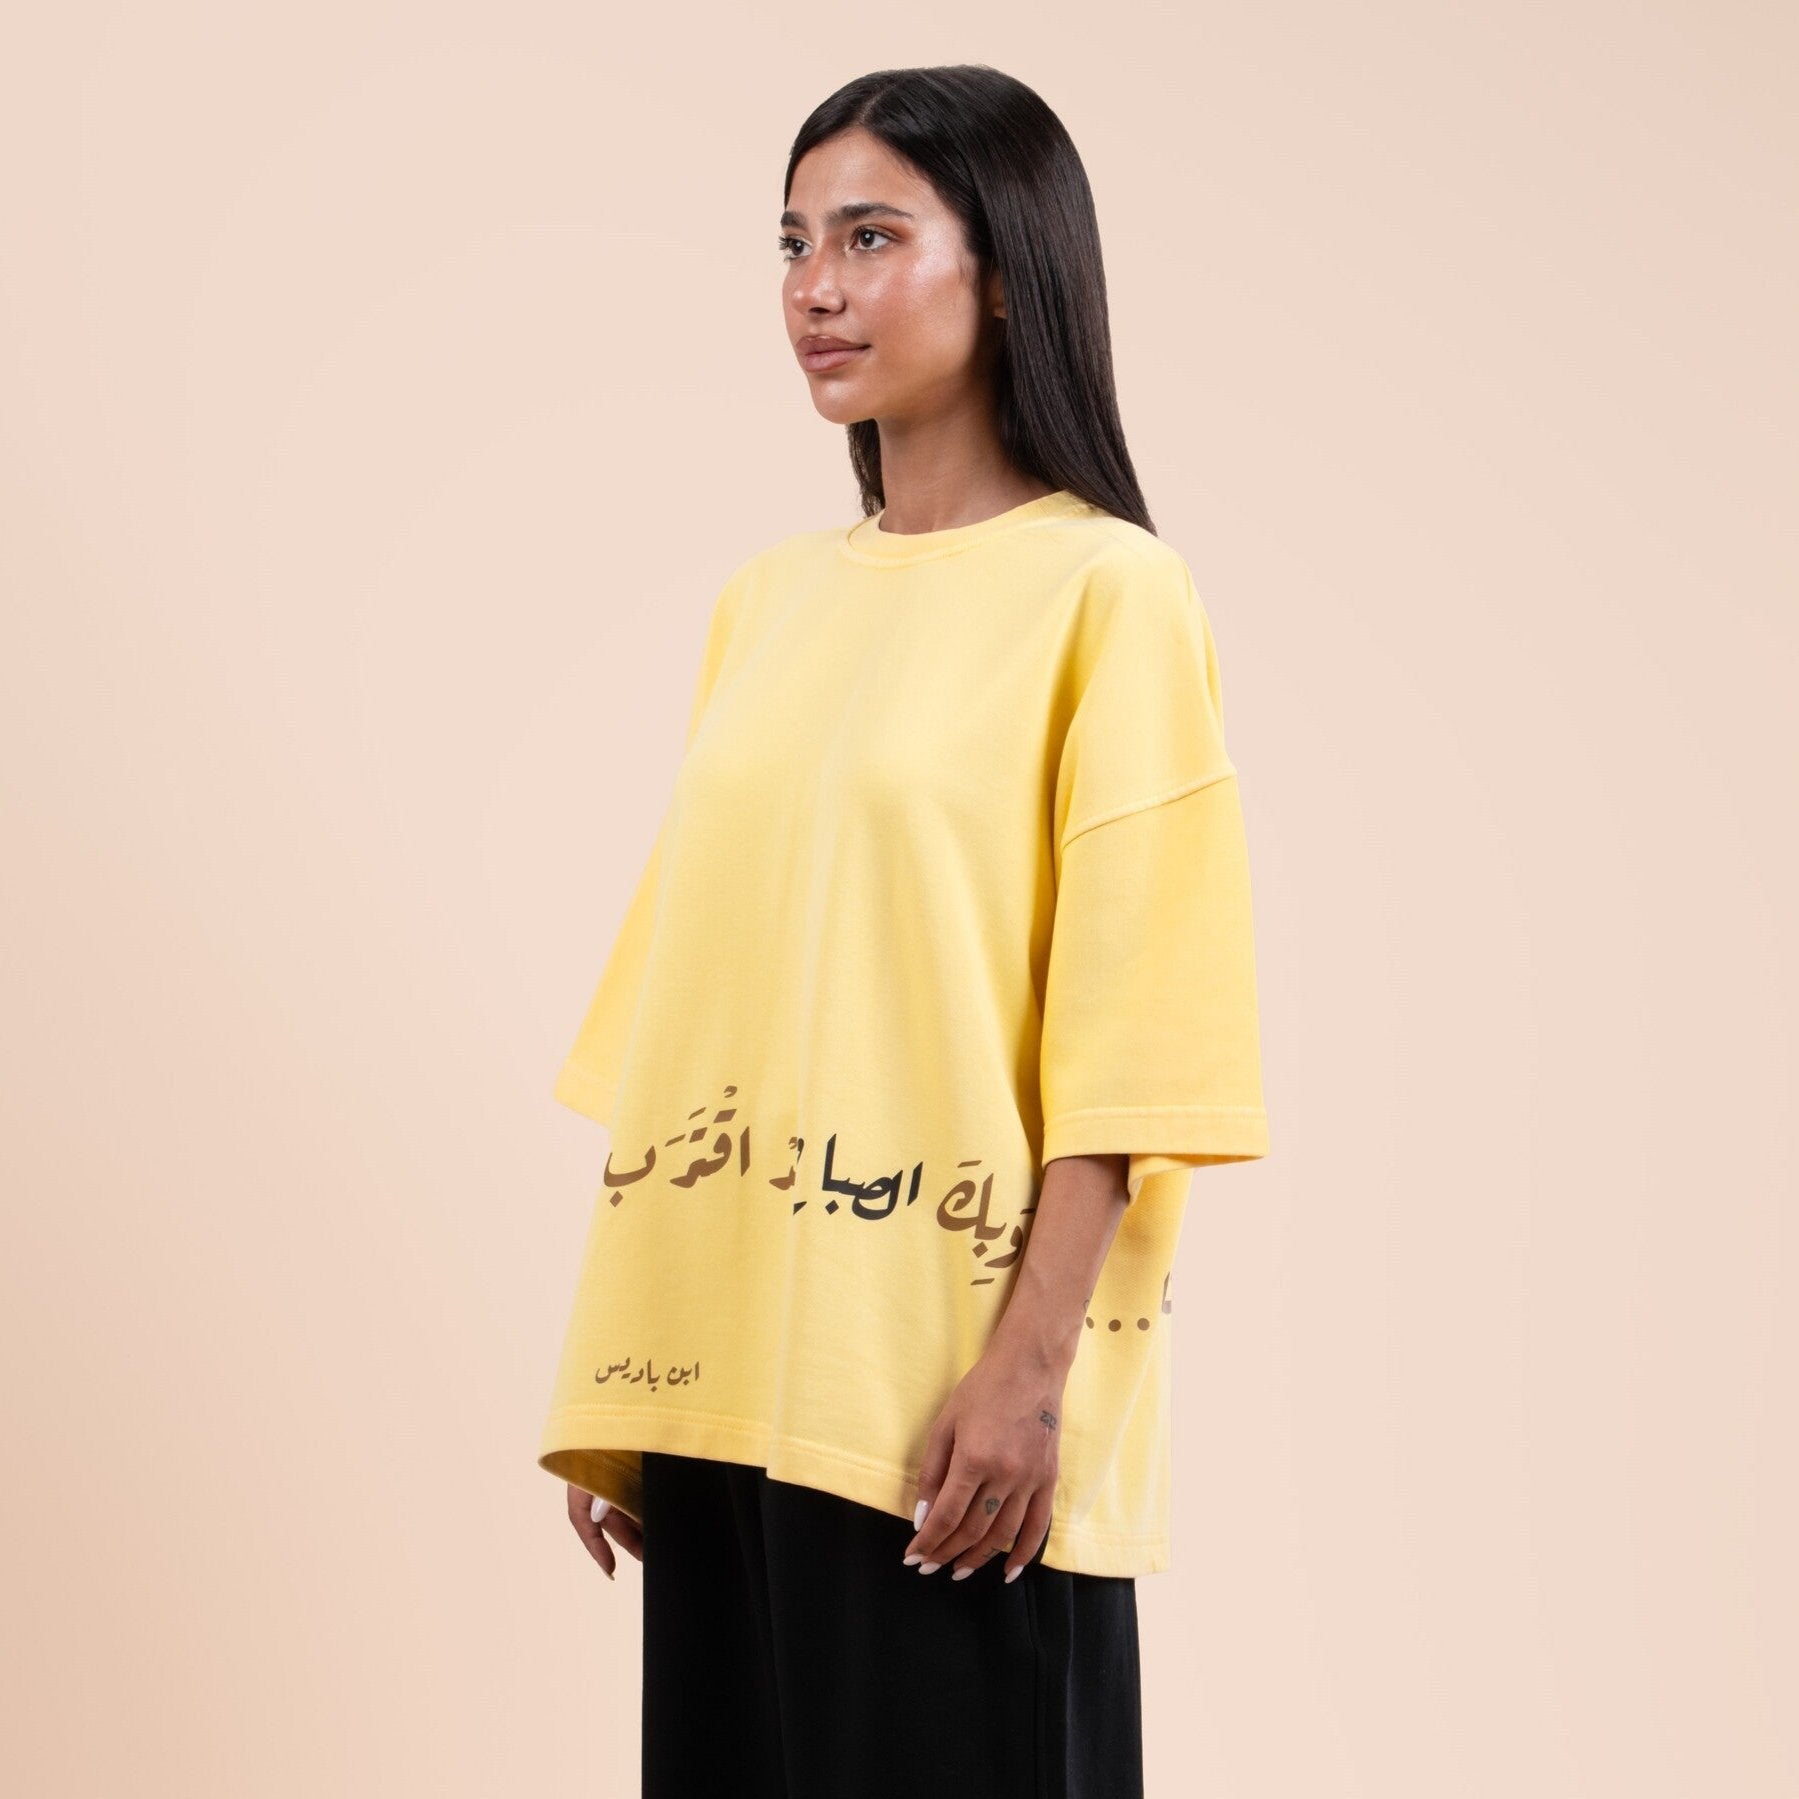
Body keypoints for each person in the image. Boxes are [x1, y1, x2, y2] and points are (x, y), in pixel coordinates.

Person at [537, 64, 1270, 1799]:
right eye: (794, 243)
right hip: (732, 1383)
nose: (816, 287)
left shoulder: (1109, 594)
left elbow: (1138, 1033)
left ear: (1007, 273)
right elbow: (704, 1016)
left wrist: (1031, 1381)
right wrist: (638, 1371)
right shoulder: (768, 604)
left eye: (871, 238)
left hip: (945, 1408)